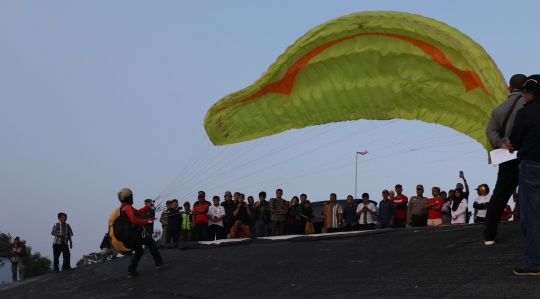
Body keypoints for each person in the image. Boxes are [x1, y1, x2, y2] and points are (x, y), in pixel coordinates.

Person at [483, 74, 527, 244]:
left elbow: (490, 132)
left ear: (509, 88)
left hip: (507, 157)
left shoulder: (499, 109)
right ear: (526, 88)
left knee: (500, 195)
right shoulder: (530, 106)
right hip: (527, 155)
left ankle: (489, 234)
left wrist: (502, 144)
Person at [507, 74, 540, 276]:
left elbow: (515, 140)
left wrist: (510, 144)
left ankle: (535, 264)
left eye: (526, 93)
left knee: (532, 217)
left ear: (530, 93)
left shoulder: (526, 112)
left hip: (532, 167)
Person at [117, 188, 168, 278]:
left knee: (140, 250)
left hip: (128, 236)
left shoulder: (124, 208)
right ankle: (158, 262)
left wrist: (147, 206)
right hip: (131, 235)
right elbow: (134, 220)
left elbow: (138, 212)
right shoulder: (128, 207)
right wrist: (147, 221)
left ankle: (131, 270)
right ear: (128, 198)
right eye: (131, 196)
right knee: (150, 241)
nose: (133, 198)